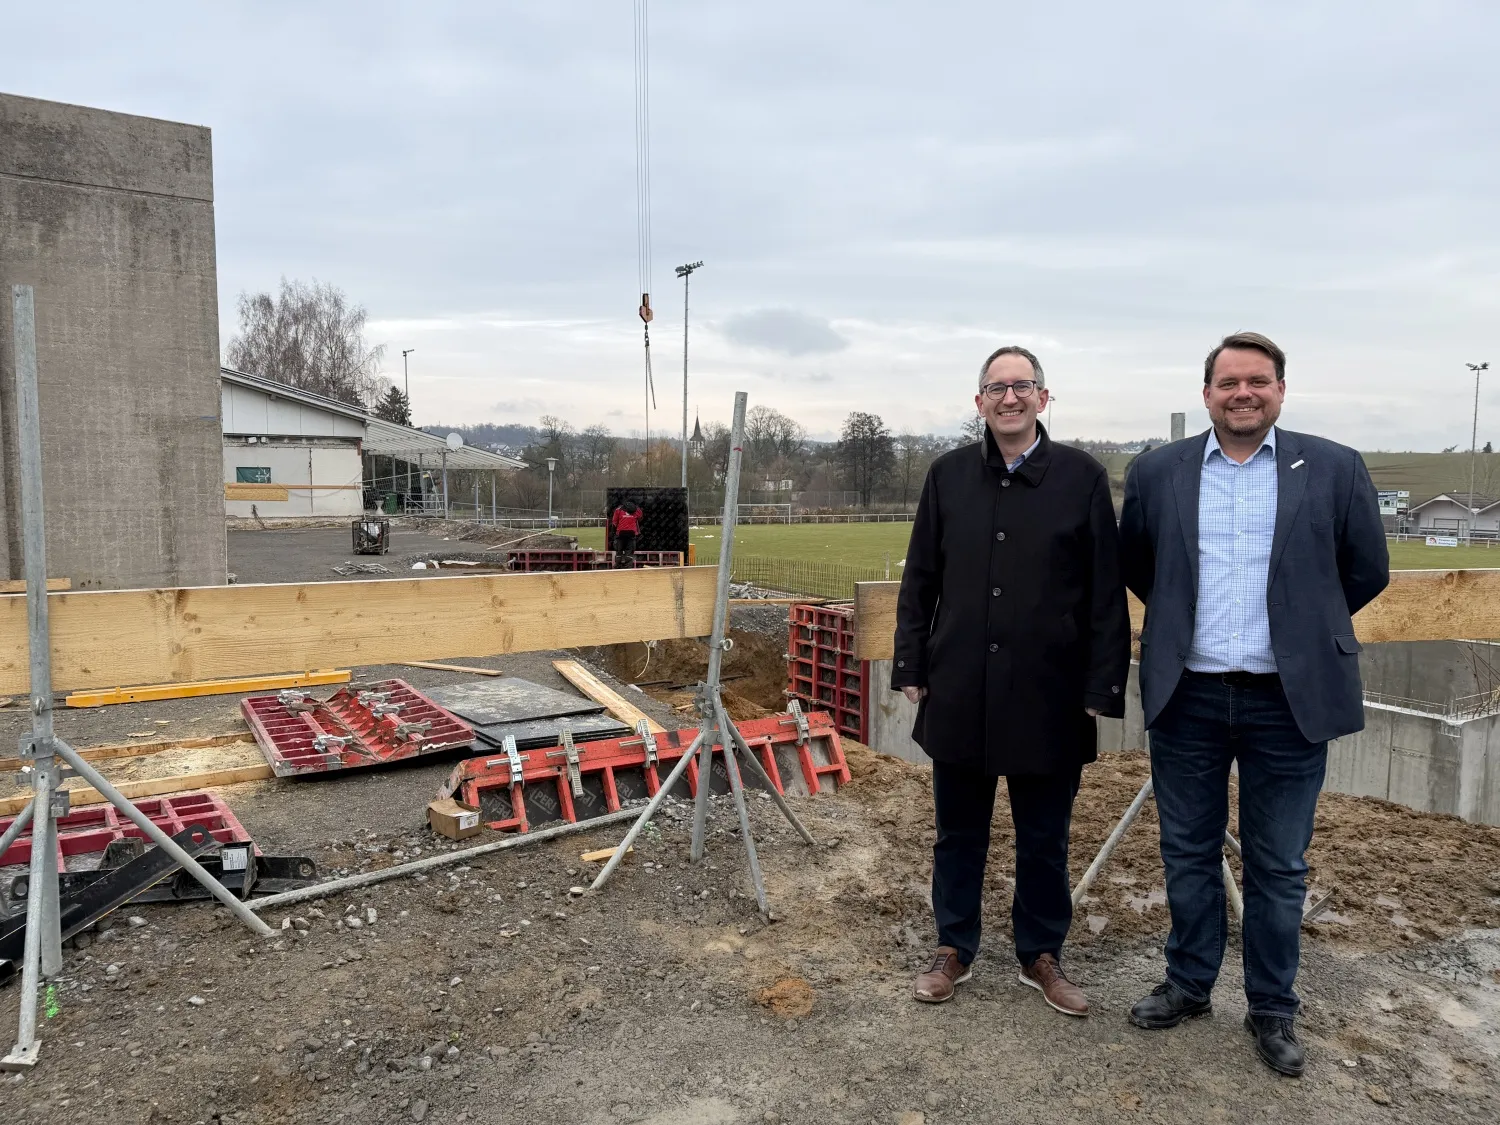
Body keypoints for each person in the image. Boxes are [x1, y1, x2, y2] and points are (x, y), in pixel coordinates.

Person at [1119, 331, 1388, 1076]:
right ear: (1206, 393)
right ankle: (1189, 983)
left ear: (1279, 390)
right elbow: (1142, 565)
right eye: (1229, 381)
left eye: (1258, 381)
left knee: (1279, 862)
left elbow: (1364, 569)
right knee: (1187, 850)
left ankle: (1272, 1007)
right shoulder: (1158, 470)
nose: (1244, 392)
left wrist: (1303, 630)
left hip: (1288, 700)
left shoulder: (1333, 467)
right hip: (1189, 693)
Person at [892, 345, 1131, 1016]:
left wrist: (1100, 686)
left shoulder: (1081, 478)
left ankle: (1041, 953)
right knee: (957, 830)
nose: (1009, 398)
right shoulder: (946, 476)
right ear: (979, 403)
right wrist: (910, 662)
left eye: (1021, 386)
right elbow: (920, 579)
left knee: (1045, 834)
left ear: (1043, 398)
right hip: (960, 683)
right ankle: (954, 946)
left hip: (1050, 691)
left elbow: (1105, 593)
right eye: (996, 388)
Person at [610, 500, 641, 567]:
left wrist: (613, 532)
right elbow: (640, 517)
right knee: (629, 550)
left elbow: (614, 522)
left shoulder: (618, 510)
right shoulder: (636, 510)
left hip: (621, 533)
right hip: (632, 533)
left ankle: (617, 564)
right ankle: (628, 565)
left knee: (619, 550)